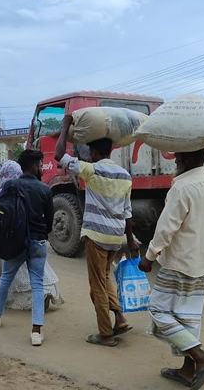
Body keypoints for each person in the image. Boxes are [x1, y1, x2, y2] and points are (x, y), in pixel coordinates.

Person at [54, 115, 139, 348]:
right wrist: (129, 241)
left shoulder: (91, 171)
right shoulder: (125, 175)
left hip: (96, 237)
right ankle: (119, 319)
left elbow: (58, 155)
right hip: (115, 237)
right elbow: (127, 212)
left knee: (96, 287)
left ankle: (105, 334)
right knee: (104, 278)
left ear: (93, 153)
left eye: (90, 152)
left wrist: (64, 128)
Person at [138, 148, 204, 389]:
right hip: (200, 260)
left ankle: (201, 357)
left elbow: (166, 227)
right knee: (189, 318)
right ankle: (187, 371)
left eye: (179, 155)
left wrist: (150, 255)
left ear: (189, 157)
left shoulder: (182, 187)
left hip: (179, 261)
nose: (175, 159)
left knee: (157, 309)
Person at [0, 161, 64, 311]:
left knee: (6, 277)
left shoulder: (1, 194)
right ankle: (39, 310)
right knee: (34, 277)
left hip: (6, 244)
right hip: (32, 239)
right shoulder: (31, 191)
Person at [0, 150, 54, 347]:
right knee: (38, 285)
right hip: (38, 243)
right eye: (41, 165)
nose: (42, 168)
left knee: (6, 278)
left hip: (15, 242)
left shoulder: (10, 185)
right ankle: (36, 331)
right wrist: (40, 235)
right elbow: (49, 222)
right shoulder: (45, 190)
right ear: (34, 167)